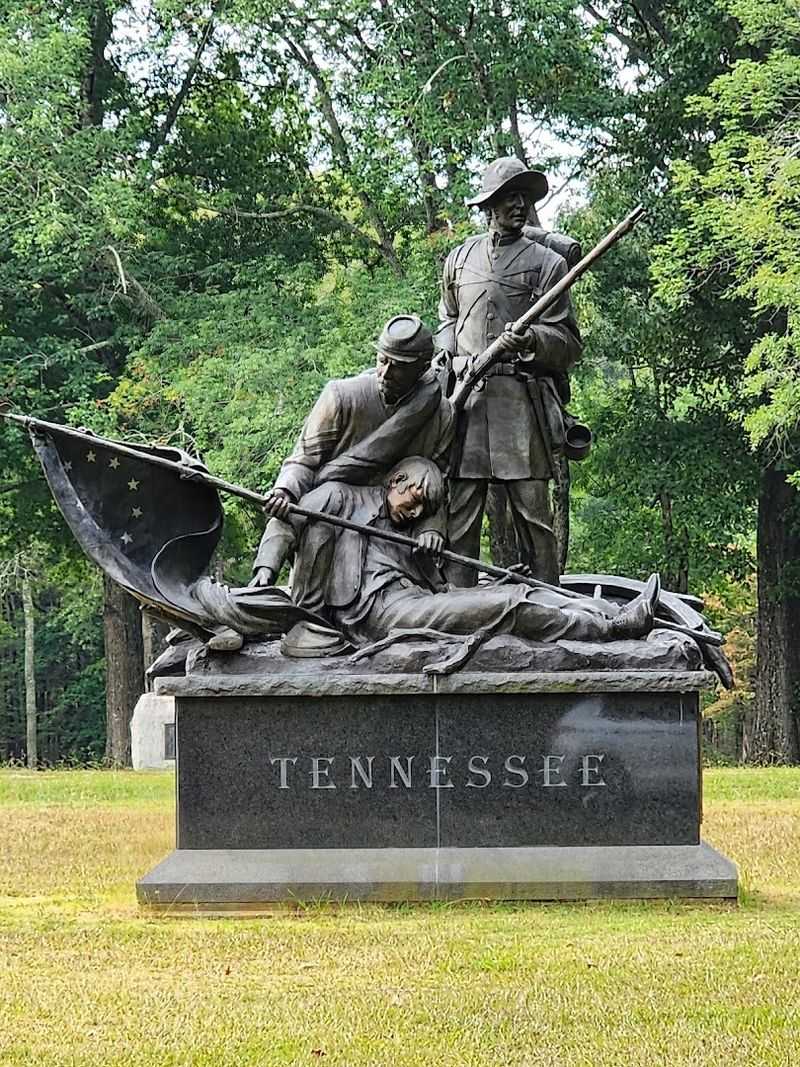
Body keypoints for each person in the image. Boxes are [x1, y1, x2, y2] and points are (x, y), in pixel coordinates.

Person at [288, 457, 660, 649]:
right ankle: (608, 629)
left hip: (420, 599)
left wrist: (428, 551)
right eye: (416, 500)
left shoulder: (406, 528)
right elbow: (289, 525)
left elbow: (429, 573)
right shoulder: (342, 498)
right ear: (396, 481)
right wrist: (263, 569)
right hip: (382, 613)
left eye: (424, 509)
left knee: (524, 588)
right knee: (509, 605)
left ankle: (619, 613)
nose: (417, 513)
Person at [437, 156, 582, 586]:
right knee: (461, 512)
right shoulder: (458, 260)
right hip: (467, 401)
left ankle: (550, 604)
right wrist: (448, 363)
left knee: (533, 512)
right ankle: (457, 604)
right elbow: (448, 321)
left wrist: (533, 341)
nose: (519, 205)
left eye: (524, 197)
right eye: (508, 197)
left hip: (519, 405)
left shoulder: (548, 265)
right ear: (489, 205)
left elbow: (568, 342)